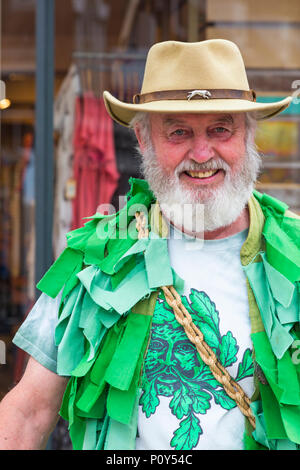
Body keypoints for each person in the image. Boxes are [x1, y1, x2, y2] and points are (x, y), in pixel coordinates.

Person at [0, 39, 299, 451]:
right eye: (178, 132)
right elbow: (27, 412)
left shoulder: (295, 256)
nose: (201, 152)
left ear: (248, 136)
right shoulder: (97, 258)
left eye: (220, 129)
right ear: (143, 141)